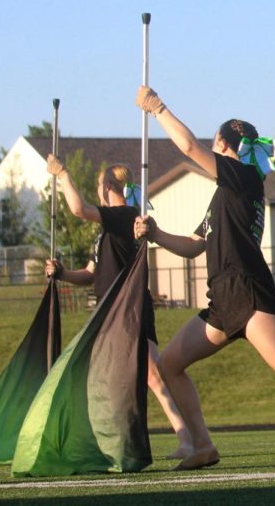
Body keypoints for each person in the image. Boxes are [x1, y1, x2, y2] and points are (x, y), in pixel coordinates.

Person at [132, 85, 275, 470]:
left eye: (215, 142)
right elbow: (192, 244)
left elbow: (187, 147)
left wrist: (158, 108)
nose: (210, 147)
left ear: (224, 143)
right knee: (169, 364)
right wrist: (156, 235)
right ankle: (202, 446)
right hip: (221, 301)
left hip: (249, 293)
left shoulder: (243, 176)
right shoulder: (226, 192)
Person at [43, 156, 194, 460]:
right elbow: (89, 274)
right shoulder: (106, 233)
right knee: (120, 378)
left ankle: (189, 439)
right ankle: (112, 441)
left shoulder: (125, 216)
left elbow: (77, 209)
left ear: (107, 186)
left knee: (153, 374)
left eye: (99, 185)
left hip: (129, 310)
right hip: (109, 314)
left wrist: (63, 174)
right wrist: (62, 274)